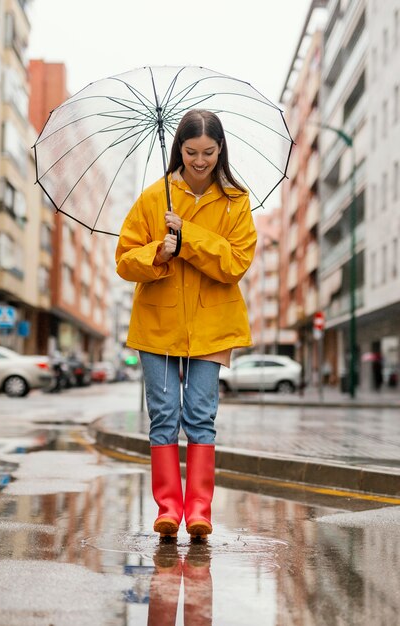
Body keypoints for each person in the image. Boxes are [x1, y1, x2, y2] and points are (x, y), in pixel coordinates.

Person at [116, 109, 257, 540]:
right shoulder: (153, 197)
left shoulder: (236, 201)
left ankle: (198, 511)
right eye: (191, 151)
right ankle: (167, 510)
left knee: (200, 415)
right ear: (179, 148)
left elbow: (235, 263)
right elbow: (124, 260)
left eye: (208, 152)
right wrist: (158, 253)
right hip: (157, 327)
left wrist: (189, 236)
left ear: (220, 150)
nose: (199, 160)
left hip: (212, 328)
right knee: (163, 417)